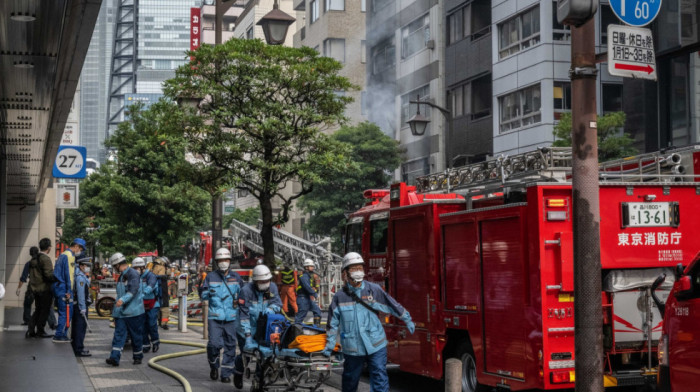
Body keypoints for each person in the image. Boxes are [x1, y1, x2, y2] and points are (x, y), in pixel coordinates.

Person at [323, 252, 415, 392]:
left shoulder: (373, 290)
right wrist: (329, 345)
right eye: (353, 268)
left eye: (360, 268)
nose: (358, 271)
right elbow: (332, 323)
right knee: (350, 380)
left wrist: (407, 318)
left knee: (379, 377)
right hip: (353, 348)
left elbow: (391, 305)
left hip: (376, 344)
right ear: (345, 273)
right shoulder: (339, 297)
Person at [234, 264, 282, 389]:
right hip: (245, 327)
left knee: (263, 355)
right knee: (246, 353)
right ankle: (238, 372)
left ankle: (258, 381)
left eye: (267, 281)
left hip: (263, 328)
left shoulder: (272, 288)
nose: (265, 283)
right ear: (255, 281)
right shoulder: (246, 291)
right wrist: (248, 335)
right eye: (262, 281)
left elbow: (277, 303)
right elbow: (244, 315)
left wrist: (271, 309)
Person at [201, 248, 244, 384]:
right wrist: (209, 294)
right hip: (215, 316)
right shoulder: (210, 277)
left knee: (231, 345)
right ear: (217, 262)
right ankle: (214, 366)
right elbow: (202, 294)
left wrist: (240, 301)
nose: (223, 262)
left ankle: (226, 373)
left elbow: (243, 295)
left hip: (231, 316)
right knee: (214, 344)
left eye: (225, 260)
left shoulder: (236, 278)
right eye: (220, 260)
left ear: (229, 261)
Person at [106, 252, 145, 366]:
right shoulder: (122, 276)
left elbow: (133, 291)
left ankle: (138, 356)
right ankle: (114, 358)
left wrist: (122, 300)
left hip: (134, 312)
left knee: (136, 336)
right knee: (119, 335)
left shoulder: (133, 274)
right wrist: (115, 313)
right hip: (123, 313)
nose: (114, 269)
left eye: (114, 266)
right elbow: (119, 294)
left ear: (118, 265)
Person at [52, 238, 86, 343]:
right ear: (76, 246)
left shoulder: (63, 255)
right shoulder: (69, 256)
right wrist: (68, 291)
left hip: (58, 287)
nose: (79, 251)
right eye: (80, 249)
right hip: (64, 289)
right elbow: (69, 276)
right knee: (66, 313)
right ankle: (59, 335)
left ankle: (61, 334)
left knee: (64, 312)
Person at [27, 238, 56, 338]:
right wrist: (56, 278)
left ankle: (31, 329)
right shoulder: (45, 259)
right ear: (48, 248)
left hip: (35, 288)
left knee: (38, 309)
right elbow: (49, 275)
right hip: (44, 289)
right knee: (44, 310)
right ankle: (40, 330)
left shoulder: (35, 258)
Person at [134, 257, 160, 353]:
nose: (136, 270)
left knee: (152, 324)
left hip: (152, 304)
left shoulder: (150, 276)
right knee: (142, 325)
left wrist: (143, 294)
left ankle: (155, 342)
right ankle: (146, 344)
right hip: (141, 304)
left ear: (142, 267)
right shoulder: (136, 277)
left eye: (137, 268)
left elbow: (151, 286)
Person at [72, 256, 92, 357]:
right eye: (86, 265)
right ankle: (78, 349)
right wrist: (82, 307)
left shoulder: (81, 275)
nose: (87, 267)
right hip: (80, 307)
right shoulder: (80, 277)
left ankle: (77, 346)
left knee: (78, 327)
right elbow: (80, 295)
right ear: (81, 266)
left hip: (78, 306)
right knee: (80, 328)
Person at [295, 259, 321, 326]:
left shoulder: (308, 276)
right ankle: (296, 331)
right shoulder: (304, 276)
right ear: (306, 267)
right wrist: (315, 294)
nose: (313, 268)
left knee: (317, 311)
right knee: (301, 316)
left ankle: (316, 327)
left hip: (307, 298)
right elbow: (307, 287)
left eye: (313, 266)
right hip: (302, 298)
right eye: (311, 266)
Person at [17, 247, 39, 325]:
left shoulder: (28, 264)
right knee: (44, 305)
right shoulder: (42, 262)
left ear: (30, 253)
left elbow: (23, 277)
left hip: (32, 287)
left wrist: (18, 288)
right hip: (42, 287)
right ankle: (52, 323)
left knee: (27, 304)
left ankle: (27, 320)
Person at [151, 257, 171, 330]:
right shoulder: (161, 267)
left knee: (156, 305)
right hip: (162, 289)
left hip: (154, 289)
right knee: (165, 306)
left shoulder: (153, 267)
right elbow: (161, 278)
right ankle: (164, 323)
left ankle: (158, 321)